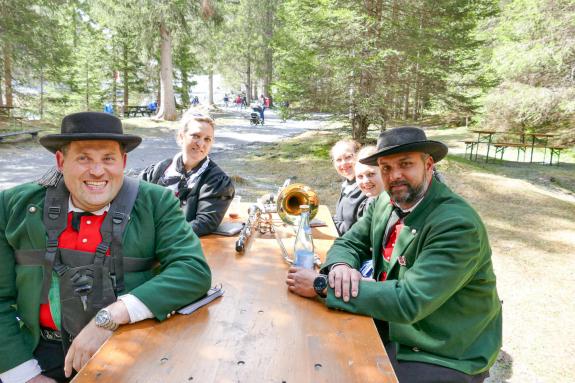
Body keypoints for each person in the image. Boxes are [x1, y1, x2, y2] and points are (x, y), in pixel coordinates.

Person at [0, 112, 212, 383]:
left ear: (123, 162)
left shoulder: (156, 202)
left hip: (130, 345)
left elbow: (193, 270)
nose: (97, 171)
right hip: (37, 352)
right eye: (84, 158)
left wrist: (110, 316)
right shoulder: (12, 206)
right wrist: (23, 375)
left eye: (108, 159)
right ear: (61, 161)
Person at [287, 127, 502, 382]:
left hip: (443, 349)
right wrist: (340, 267)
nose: (394, 176)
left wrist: (322, 286)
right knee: (311, 346)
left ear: (428, 164)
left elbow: (409, 300)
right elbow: (350, 241)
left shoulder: (456, 224)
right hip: (392, 324)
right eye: (386, 168)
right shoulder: (385, 202)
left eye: (405, 164)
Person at [140, 111, 235, 237]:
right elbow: (134, 198)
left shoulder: (216, 181)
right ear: (181, 136)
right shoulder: (160, 169)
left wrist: (162, 236)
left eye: (207, 139)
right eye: (195, 136)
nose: (201, 144)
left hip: (180, 244)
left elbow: (205, 223)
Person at [330, 139, 366, 235]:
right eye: (338, 159)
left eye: (348, 157)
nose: (343, 163)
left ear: (359, 157)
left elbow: (354, 230)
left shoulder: (366, 188)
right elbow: (339, 217)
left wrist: (329, 226)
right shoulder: (348, 184)